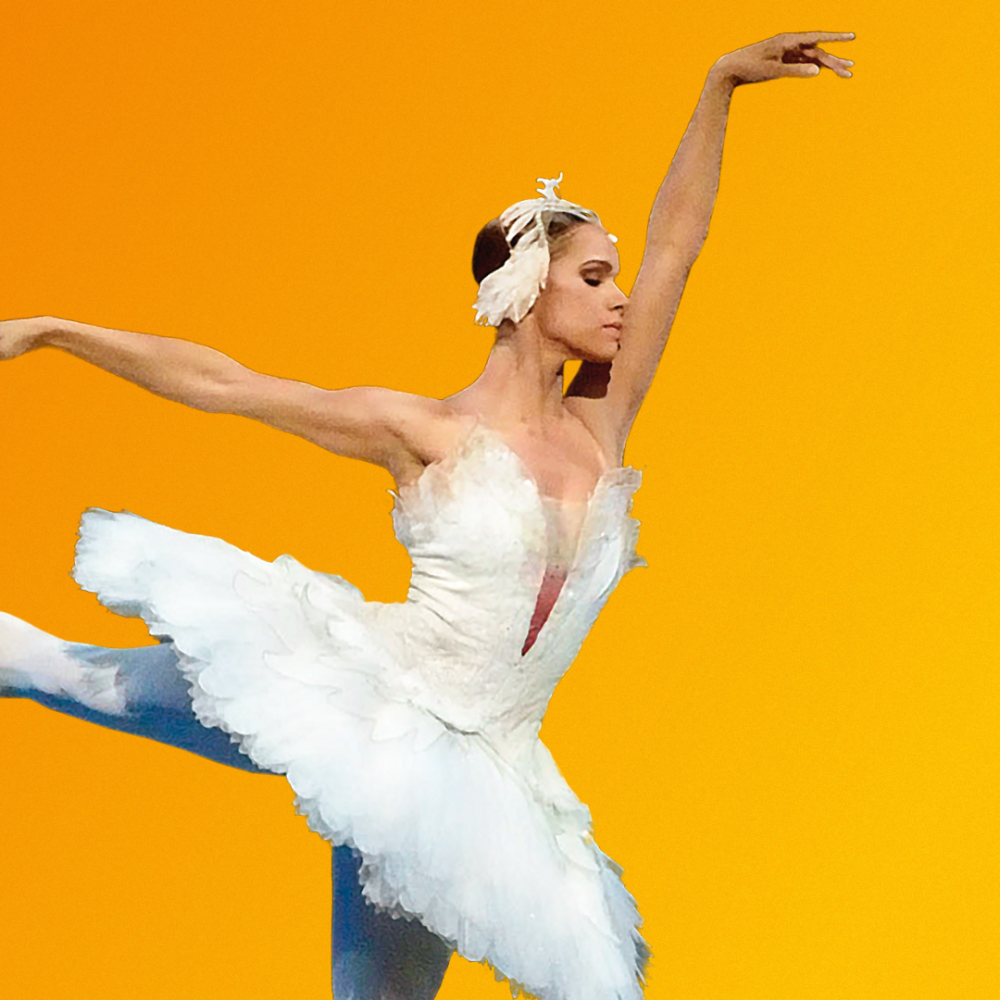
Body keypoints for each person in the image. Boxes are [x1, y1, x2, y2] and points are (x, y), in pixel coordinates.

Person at [0, 32, 854, 1000]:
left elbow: (676, 245)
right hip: (367, 697)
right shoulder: (423, 431)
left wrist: (720, 87)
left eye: (614, 278)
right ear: (525, 289)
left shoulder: (602, 420)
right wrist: (53, 330)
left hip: (480, 774)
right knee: (62, 674)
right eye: (591, 278)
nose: (619, 298)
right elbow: (223, 383)